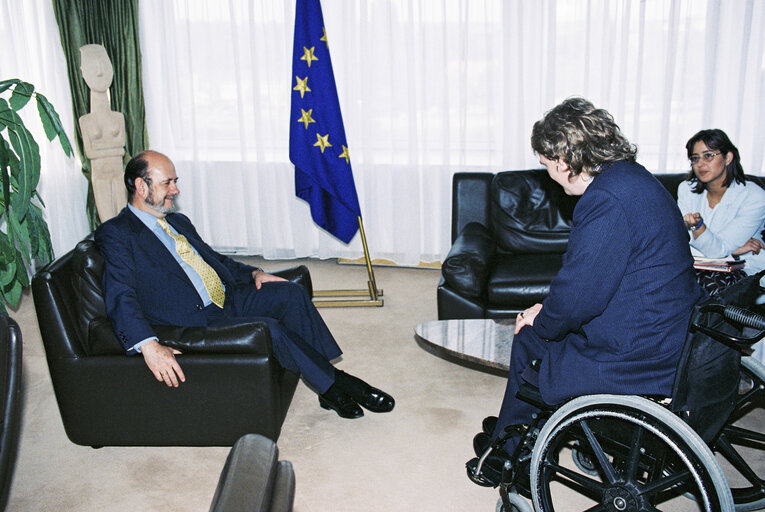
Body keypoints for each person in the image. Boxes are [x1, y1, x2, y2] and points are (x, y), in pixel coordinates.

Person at [468, 98, 703, 485]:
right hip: (670, 328)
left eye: (546, 166)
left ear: (563, 159)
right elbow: (595, 278)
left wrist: (539, 320)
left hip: (639, 353)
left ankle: (508, 451)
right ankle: (520, 427)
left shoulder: (605, 201)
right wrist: (549, 306)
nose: (548, 175)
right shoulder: (635, 178)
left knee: (531, 340)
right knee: (548, 323)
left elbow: (580, 298)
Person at [94, 150, 394, 419]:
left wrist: (254, 273)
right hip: (194, 317)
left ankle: (326, 383)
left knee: (290, 293)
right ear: (141, 186)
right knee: (269, 328)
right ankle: (338, 385)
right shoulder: (116, 233)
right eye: (167, 183)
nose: (176, 189)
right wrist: (148, 345)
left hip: (227, 297)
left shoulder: (177, 221)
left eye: (176, 181)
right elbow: (121, 293)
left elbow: (214, 260)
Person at [677, 129, 765, 293]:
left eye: (708, 155)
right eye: (695, 158)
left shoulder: (755, 197)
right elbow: (675, 242)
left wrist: (697, 227)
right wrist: (733, 250)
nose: (700, 164)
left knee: (705, 286)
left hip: (745, 270)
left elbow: (716, 250)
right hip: (698, 266)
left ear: (728, 157)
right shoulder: (686, 190)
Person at [78, 44, 127, 222]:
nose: (100, 72)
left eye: (105, 65)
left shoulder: (118, 117)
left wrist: (105, 149)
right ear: (83, 72)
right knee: (107, 222)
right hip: (100, 177)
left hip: (117, 173)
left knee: (124, 218)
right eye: (93, 66)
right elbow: (90, 153)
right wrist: (113, 149)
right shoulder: (86, 121)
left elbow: (121, 147)